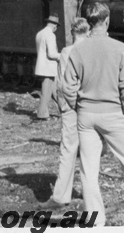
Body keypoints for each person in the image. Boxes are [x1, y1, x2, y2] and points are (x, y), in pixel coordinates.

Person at [63, 2, 124, 226]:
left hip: (86, 116)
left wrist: (78, 106)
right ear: (107, 21)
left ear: (89, 22)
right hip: (113, 114)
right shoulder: (120, 48)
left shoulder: (77, 50)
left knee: (89, 169)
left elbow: (67, 87)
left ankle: (95, 220)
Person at [39, 17, 91, 209]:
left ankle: (61, 196)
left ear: (72, 32)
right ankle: (90, 195)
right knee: (89, 151)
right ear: (88, 32)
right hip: (91, 107)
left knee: (68, 150)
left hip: (71, 107)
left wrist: (64, 106)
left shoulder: (66, 52)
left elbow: (60, 84)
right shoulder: (92, 50)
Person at [34, 16, 61, 120]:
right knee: (46, 93)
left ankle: (64, 111)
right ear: (54, 25)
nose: (56, 28)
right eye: (57, 26)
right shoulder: (50, 35)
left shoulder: (39, 33)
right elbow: (51, 54)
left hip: (43, 67)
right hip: (49, 68)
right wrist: (62, 55)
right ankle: (41, 114)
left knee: (54, 92)